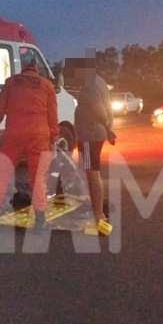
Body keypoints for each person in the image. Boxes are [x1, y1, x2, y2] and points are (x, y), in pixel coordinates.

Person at [0, 52, 59, 232]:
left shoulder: (11, 83)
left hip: (14, 133)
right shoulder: (47, 86)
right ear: (36, 67)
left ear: (22, 66)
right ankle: (40, 220)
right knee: (38, 177)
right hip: (39, 135)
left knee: (2, 173)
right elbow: (52, 116)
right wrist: (55, 140)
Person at [73, 70, 116, 235]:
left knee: (92, 174)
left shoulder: (88, 85)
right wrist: (108, 128)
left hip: (89, 135)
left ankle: (98, 216)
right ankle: (98, 213)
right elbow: (108, 107)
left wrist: (107, 128)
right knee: (92, 173)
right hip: (95, 133)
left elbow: (99, 109)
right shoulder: (100, 81)